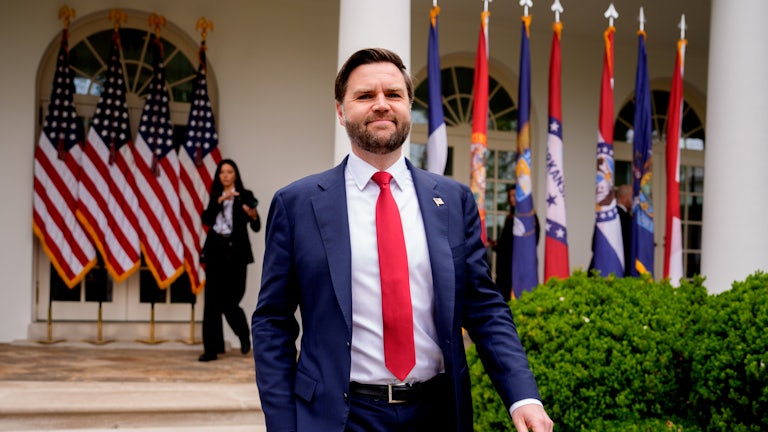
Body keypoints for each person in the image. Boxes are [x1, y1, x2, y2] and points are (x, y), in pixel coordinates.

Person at [252, 48, 553, 432]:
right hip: (339, 418)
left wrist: (522, 396)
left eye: (393, 95)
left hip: (437, 414)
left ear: (409, 106)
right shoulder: (297, 204)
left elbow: (484, 308)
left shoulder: (454, 200)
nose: (381, 105)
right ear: (341, 111)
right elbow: (272, 323)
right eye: (365, 96)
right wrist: (282, 422)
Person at [198, 159, 260, 362]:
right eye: (222, 172)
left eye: (229, 171)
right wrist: (219, 202)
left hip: (237, 254)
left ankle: (243, 334)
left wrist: (252, 215)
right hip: (216, 251)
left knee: (231, 301)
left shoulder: (245, 196)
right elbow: (206, 220)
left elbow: (257, 225)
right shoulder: (215, 196)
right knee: (211, 304)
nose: (225, 175)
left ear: (235, 175)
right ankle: (211, 349)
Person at [492, 185, 541, 301]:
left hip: (519, 265)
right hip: (505, 268)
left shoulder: (529, 218)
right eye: (510, 196)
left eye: (514, 195)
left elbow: (532, 242)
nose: (512, 199)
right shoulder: (510, 217)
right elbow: (506, 242)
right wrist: (497, 245)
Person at [616, 184, 632, 276]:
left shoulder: (611, 215)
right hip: (622, 268)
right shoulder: (624, 218)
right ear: (624, 198)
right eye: (631, 196)